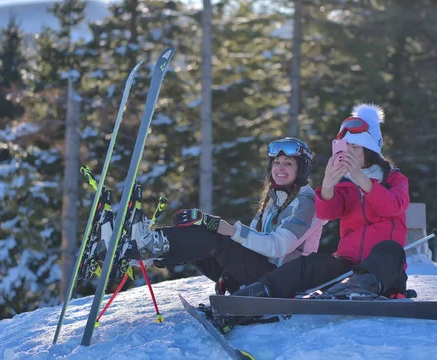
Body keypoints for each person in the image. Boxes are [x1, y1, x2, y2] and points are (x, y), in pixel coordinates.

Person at [233, 103, 410, 299]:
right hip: (347, 265)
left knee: (390, 250)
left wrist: (361, 178)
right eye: (346, 147)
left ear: (369, 150)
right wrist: (328, 185)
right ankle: (256, 292)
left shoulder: (394, 179)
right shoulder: (346, 183)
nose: (348, 152)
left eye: (355, 147)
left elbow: (393, 207)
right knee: (310, 263)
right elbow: (327, 214)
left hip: (384, 274)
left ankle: (356, 288)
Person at [126, 137, 324, 294]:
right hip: (262, 273)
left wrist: (226, 229)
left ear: (301, 169)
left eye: (288, 163)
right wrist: (231, 272)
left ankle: (149, 246)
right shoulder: (274, 199)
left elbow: (277, 247)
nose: (280, 168)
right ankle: (148, 253)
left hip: (283, 281)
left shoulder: (307, 204)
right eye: (277, 162)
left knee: (215, 239)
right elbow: (253, 244)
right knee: (198, 232)